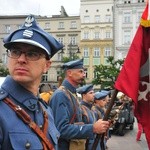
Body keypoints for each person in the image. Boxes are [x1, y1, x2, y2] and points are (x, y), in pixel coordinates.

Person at [0, 15, 63, 150]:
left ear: (47, 66)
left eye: (32, 54)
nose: (21, 59)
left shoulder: (46, 110)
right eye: (15, 51)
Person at [49, 59, 109, 150]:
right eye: (80, 71)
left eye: (84, 72)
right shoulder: (61, 95)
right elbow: (60, 129)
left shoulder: (71, 94)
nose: (84, 75)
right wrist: (92, 128)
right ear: (69, 73)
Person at [76, 84, 101, 150]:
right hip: (86, 145)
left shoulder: (92, 109)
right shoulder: (80, 109)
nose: (94, 95)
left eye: (93, 92)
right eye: (91, 93)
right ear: (84, 95)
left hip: (94, 143)